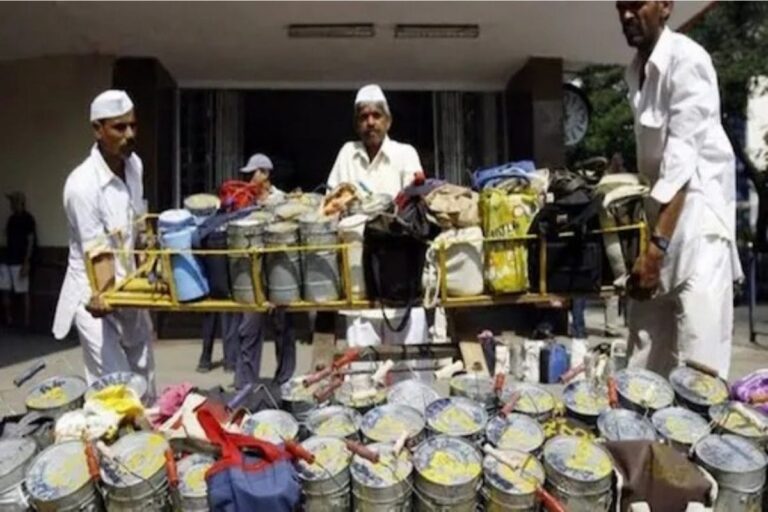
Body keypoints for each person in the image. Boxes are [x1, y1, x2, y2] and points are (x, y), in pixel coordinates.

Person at [618, 1, 741, 378]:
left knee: (698, 377)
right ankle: (638, 438)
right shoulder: (634, 73)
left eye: (636, 4)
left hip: (699, 233)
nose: (626, 15)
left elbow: (681, 164)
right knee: (641, 370)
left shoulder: (688, 61)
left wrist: (656, 252)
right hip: (663, 231)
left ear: (666, 7)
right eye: (620, 6)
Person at [52, 90, 156, 394]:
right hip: (96, 294)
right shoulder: (81, 185)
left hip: (131, 289)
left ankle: (149, 439)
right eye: (119, 128)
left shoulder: (134, 165)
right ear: (98, 129)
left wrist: (150, 267)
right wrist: (105, 296)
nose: (130, 134)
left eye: (133, 126)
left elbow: (138, 222)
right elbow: (95, 252)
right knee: (117, 391)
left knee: (146, 380)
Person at [326, 84, 428, 347]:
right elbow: (330, 204)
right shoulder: (347, 154)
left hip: (400, 277)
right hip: (359, 279)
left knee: (409, 371)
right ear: (357, 124)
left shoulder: (405, 154)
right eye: (363, 117)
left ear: (388, 121)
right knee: (362, 371)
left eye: (376, 116)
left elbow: (413, 206)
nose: (370, 122)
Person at [234, 152, 296, 387]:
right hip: (252, 277)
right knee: (248, 330)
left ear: (266, 174)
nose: (249, 178)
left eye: (253, 173)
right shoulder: (244, 201)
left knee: (284, 330)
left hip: (279, 274)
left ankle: (285, 380)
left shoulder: (282, 201)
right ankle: (245, 385)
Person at [0, 192, 36, 327]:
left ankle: (26, 322)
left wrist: (27, 261)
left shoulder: (28, 219)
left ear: (21, 203)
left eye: (14, 202)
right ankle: (9, 319)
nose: (11, 205)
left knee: (23, 291)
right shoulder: (11, 219)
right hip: (8, 258)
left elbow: (31, 240)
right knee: (5, 289)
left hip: (20, 260)